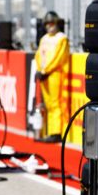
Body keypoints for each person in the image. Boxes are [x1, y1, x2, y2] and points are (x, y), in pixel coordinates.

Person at [34, 11, 70, 143]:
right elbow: (38, 55)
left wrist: (46, 71)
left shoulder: (61, 38)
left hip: (54, 74)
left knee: (55, 103)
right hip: (44, 74)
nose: (50, 26)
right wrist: (39, 70)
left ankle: (56, 132)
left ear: (57, 23)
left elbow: (59, 58)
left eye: (52, 23)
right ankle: (50, 131)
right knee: (48, 104)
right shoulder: (44, 38)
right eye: (47, 23)